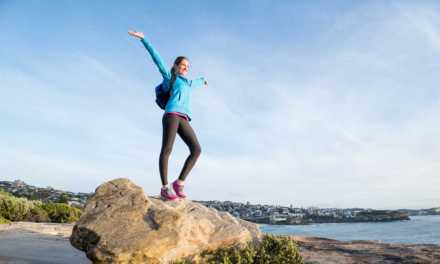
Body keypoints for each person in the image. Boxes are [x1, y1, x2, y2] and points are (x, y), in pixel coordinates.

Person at [128, 30, 208, 201]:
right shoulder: (170, 77)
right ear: (176, 65)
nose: (185, 68)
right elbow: (157, 59)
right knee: (167, 149)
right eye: (183, 65)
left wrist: (203, 80)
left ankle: (179, 183)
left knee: (196, 149)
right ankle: (165, 188)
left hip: (184, 118)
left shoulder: (189, 83)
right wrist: (144, 40)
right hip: (171, 115)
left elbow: (196, 82)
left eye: (187, 67)